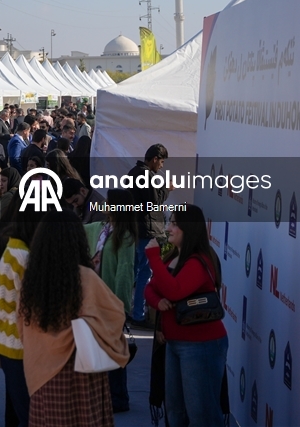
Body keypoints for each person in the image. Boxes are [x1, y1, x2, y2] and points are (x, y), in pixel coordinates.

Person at [19, 212, 128, 427]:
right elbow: (115, 315)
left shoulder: (31, 282)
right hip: (82, 374)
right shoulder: (85, 278)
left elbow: (23, 328)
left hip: (42, 374)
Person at [144, 205, 228, 427]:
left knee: (202, 415)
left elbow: (174, 290)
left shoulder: (199, 260)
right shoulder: (173, 256)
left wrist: (153, 257)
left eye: (174, 223)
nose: (168, 228)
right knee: (175, 412)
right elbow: (151, 289)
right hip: (175, 344)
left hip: (200, 346)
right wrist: (158, 302)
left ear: (187, 228)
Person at [0, 193, 41, 427]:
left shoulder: (14, 248)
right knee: (27, 416)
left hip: (9, 344)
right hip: (18, 348)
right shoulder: (23, 256)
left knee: (14, 413)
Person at [92, 193, 139, 413]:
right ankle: (106, 396)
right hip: (96, 301)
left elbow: (124, 273)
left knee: (113, 354)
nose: (104, 205)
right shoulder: (102, 229)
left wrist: (121, 307)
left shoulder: (125, 236)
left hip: (111, 304)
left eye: (108, 203)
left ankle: (118, 398)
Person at [129, 143, 171, 327]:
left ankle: (134, 310)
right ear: (154, 159)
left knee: (137, 271)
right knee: (145, 272)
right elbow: (155, 200)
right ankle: (138, 313)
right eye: (161, 162)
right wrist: (167, 189)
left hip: (138, 227)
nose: (161, 166)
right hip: (147, 228)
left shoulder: (134, 172)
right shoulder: (147, 175)